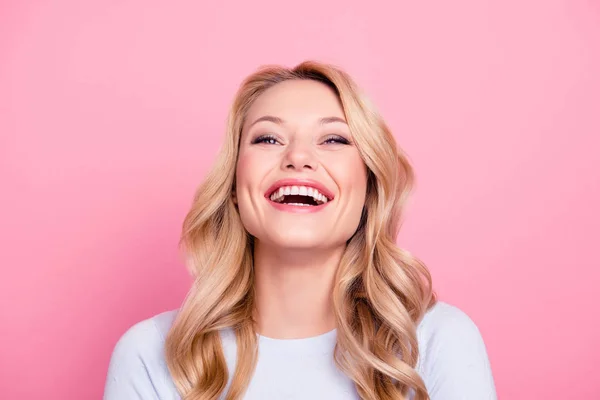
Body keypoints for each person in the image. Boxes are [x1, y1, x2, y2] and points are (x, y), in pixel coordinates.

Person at [103, 61, 497, 400]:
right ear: (235, 188)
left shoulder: (435, 342)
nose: (298, 157)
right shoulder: (152, 353)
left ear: (368, 191)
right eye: (268, 138)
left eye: (334, 139)